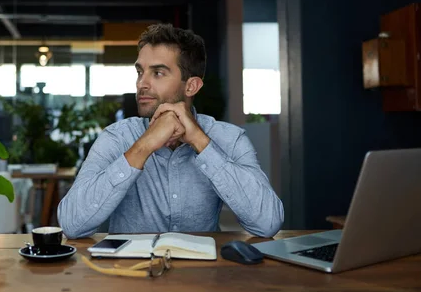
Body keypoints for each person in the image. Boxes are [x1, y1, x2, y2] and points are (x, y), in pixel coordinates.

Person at [58, 23, 284, 239]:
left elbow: (268, 223)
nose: (141, 84)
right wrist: (143, 146)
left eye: (157, 73)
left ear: (191, 86)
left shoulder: (229, 138)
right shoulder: (116, 138)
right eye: (140, 72)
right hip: (130, 274)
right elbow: (71, 224)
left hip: (202, 275)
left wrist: (200, 141)